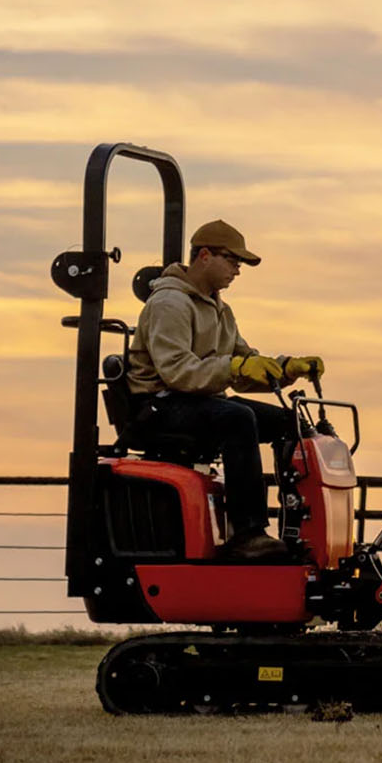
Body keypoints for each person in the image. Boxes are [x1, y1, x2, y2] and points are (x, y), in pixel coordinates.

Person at [127, 219, 324, 562]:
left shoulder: (219, 308)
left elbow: (242, 363)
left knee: (288, 422)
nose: (237, 270)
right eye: (232, 261)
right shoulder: (169, 304)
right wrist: (233, 368)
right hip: (160, 406)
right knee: (237, 418)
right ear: (204, 255)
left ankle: (296, 528)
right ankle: (248, 533)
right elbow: (177, 372)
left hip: (197, 401)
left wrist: (284, 368)